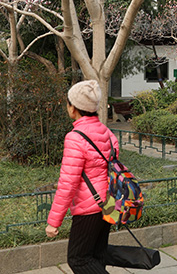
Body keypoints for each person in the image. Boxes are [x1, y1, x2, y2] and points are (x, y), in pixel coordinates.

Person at [46, 80, 121, 273]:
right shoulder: (106, 131)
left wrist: (54, 221)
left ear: (74, 108)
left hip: (89, 208)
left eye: (68, 103)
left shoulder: (75, 137)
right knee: (97, 255)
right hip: (108, 202)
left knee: (78, 259)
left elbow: (68, 183)